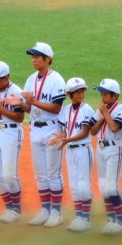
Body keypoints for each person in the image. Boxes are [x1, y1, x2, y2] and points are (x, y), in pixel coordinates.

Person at [19, 42, 66, 228]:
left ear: (48, 59)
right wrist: (20, 103)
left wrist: (33, 101)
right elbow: (29, 106)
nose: (33, 60)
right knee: (40, 174)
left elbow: (56, 108)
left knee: (53, 173)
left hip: (52, 129)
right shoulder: (31, 79)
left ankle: (57, 212)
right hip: (35, 128)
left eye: (37, 56)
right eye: (32, 56)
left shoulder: (57, 80)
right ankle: (45, 210)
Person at [49, 77, 95, 232]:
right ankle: (79, 216)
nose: (81, 94)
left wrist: (67, 139)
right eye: (77, 92)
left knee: (83, 183)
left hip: (83, 149)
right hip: (71, 150)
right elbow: (66, 130)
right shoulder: (66, 110)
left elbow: (84, 132)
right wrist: (60, 137)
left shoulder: (87, 109)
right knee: (74, 185)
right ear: (69, 94)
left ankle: (85, 219)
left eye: (82, 91)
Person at [0, 61, 25, 223]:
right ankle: (9, 207)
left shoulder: (16, 92)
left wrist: (0, 108)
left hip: (11, 132)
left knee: (9, 175)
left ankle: (16, 209)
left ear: (6, 77)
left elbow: (20, 117)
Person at [91, 78, 122, 235]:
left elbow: (114, 127)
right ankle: (111, 220)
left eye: (106, 94)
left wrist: (105, 113)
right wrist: (101, 117)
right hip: (100, 148)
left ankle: (120, 222)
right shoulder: (101, 109)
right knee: (102, 187)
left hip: (114, 149)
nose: (102, 97)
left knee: (111, 187)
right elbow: (92, 131)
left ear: (115, 96)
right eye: (101, 94)